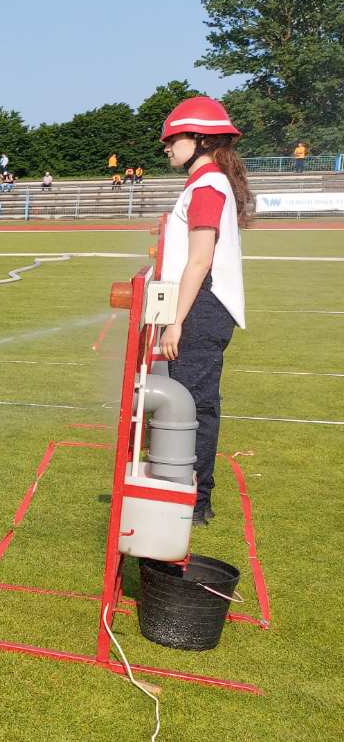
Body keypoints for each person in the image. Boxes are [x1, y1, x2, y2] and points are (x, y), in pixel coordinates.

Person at [157, 96, 252, 527]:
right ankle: (189, 490)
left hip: (201, 307)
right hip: (202, 305)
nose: (166, 147)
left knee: (193, 405)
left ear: (199, 139)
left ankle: (195, 499)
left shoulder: (207, 186)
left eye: (172, 139)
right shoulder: (206, 185)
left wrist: (175, 321)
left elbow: (200, 260)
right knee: (191, 402)